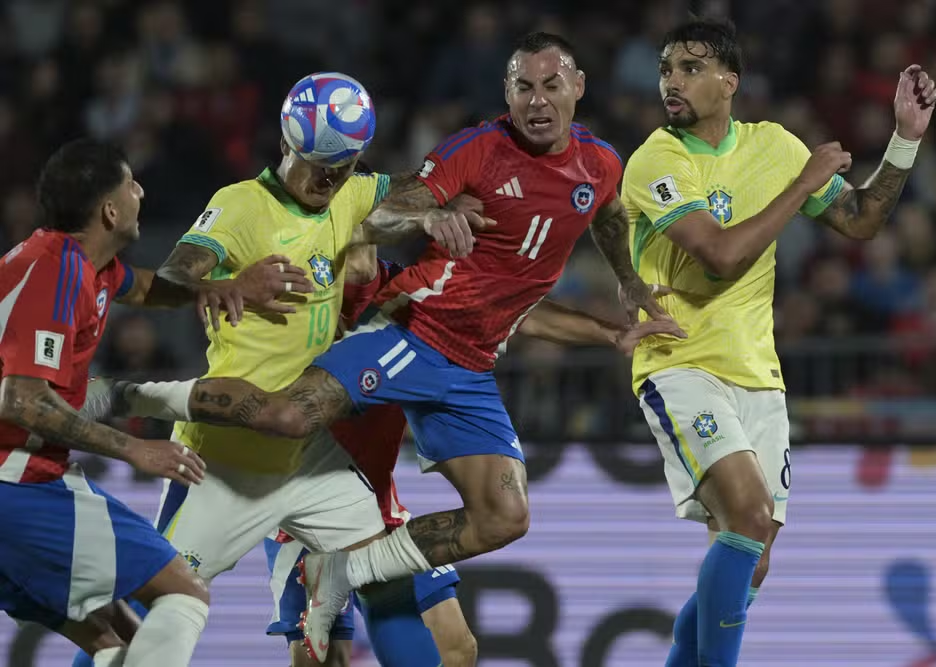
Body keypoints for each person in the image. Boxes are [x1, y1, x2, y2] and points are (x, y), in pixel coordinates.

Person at [113, 32, 682, 662]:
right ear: (285, 145)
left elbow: (477, 274)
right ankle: (125, 397)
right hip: (240, 455)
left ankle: (339, 572)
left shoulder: (364, 197)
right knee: (194, 611)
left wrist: (620, 300)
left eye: (342, 166)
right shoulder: (247, 207)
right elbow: (171, 280)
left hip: (351, 473)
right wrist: (228, 282)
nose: (328, 179)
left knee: (459, 636)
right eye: (524, 85)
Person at [620, 19, 936, 667]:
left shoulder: (774, 146)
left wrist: (903, 141)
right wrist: (801, 186)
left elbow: (860, 220)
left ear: (728, 82)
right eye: (667, 69)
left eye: (690, 67)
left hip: (758, 377)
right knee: (748, 513)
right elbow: (718, 256)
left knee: (752, 557)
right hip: (679, 364)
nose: (672, 81)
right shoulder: (658, 158)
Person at [260, 250, 674, 667]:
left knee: (457, 649)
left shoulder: (404, 289)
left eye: (366, 231)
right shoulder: (301, 296)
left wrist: (612, 332)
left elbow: (510, 313)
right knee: (326, 658)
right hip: (308, 501)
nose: (361, 240)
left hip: (379, 501)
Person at [0, 138, 302, 667]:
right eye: (131, 183)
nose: (142, 191)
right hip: (19, 486)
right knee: (183, 593)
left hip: (25, 484)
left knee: (119, 643)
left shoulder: (81, 265)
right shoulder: (55, 273)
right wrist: (134, 450)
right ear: (110, 210)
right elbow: (22, 400)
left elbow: (144, 288)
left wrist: (227, 286)